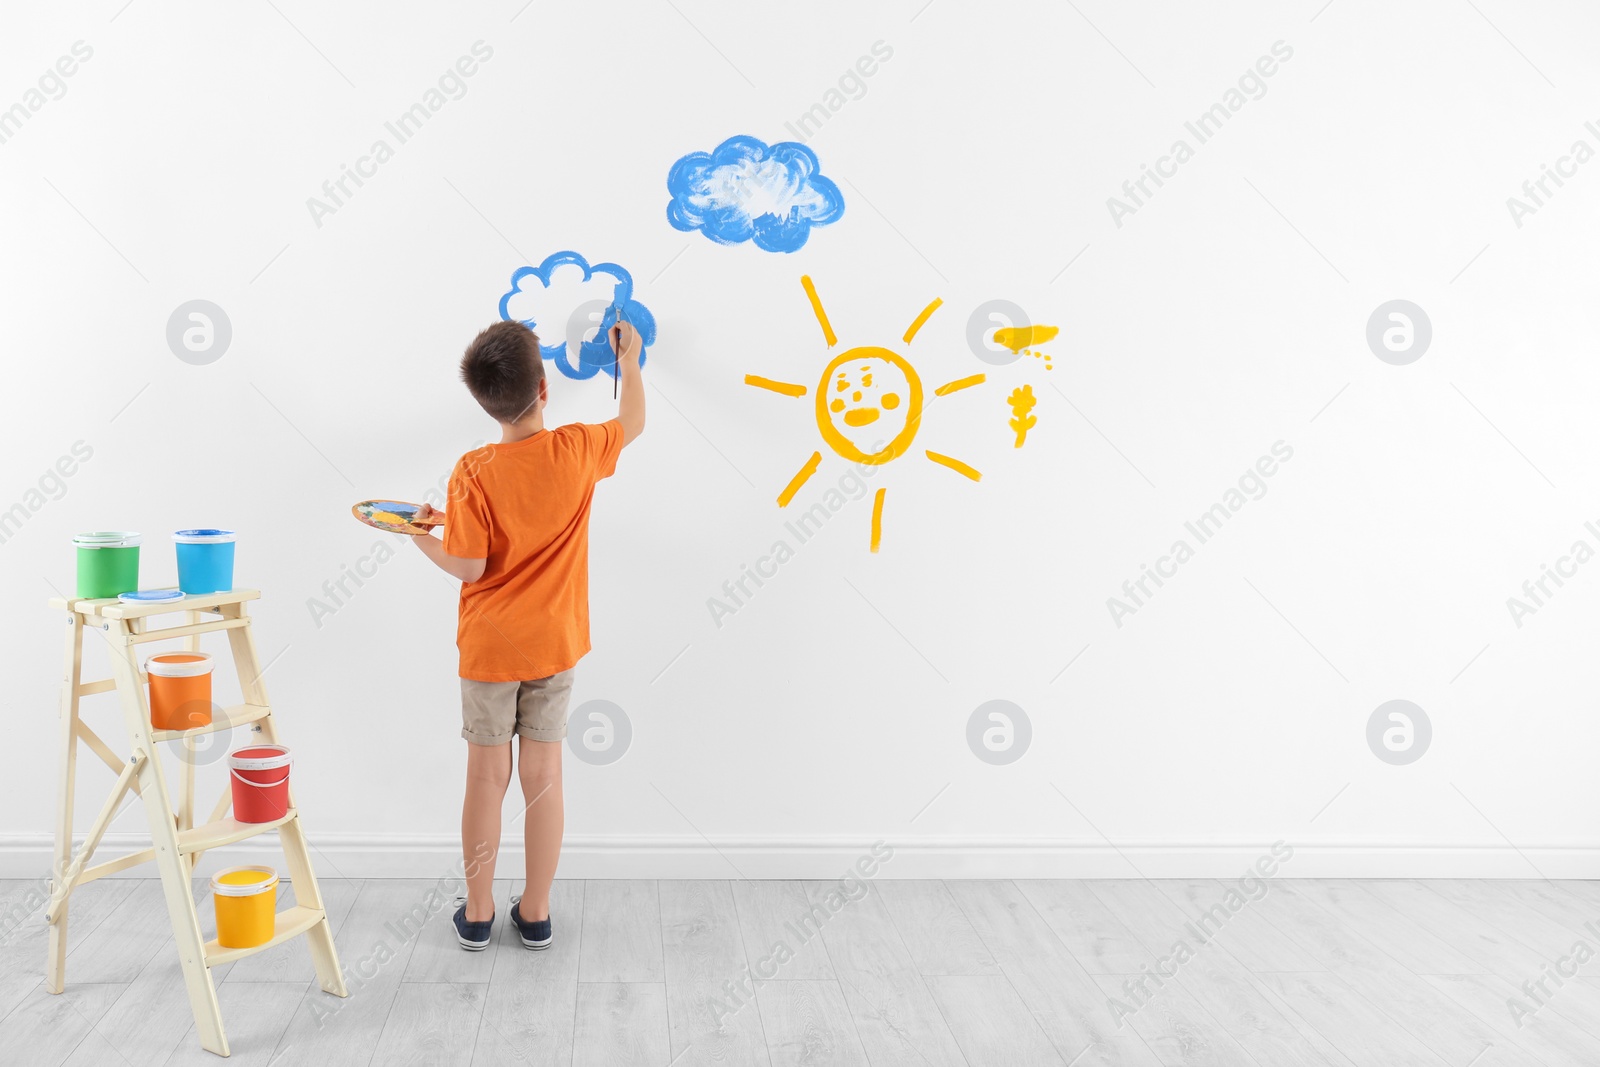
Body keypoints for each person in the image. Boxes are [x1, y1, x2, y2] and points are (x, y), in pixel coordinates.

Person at [411, 317, 644, 949]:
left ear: (484, 402)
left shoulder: (473, 469)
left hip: (489, 648)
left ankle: (480, 911)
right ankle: (536, 911)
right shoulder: (576, 449)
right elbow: (634, 422)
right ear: (544, 390)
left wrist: (421, 534)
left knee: (487, 776)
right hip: (555, 641)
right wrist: (631, 363)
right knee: (544, 776)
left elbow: (469, 565)